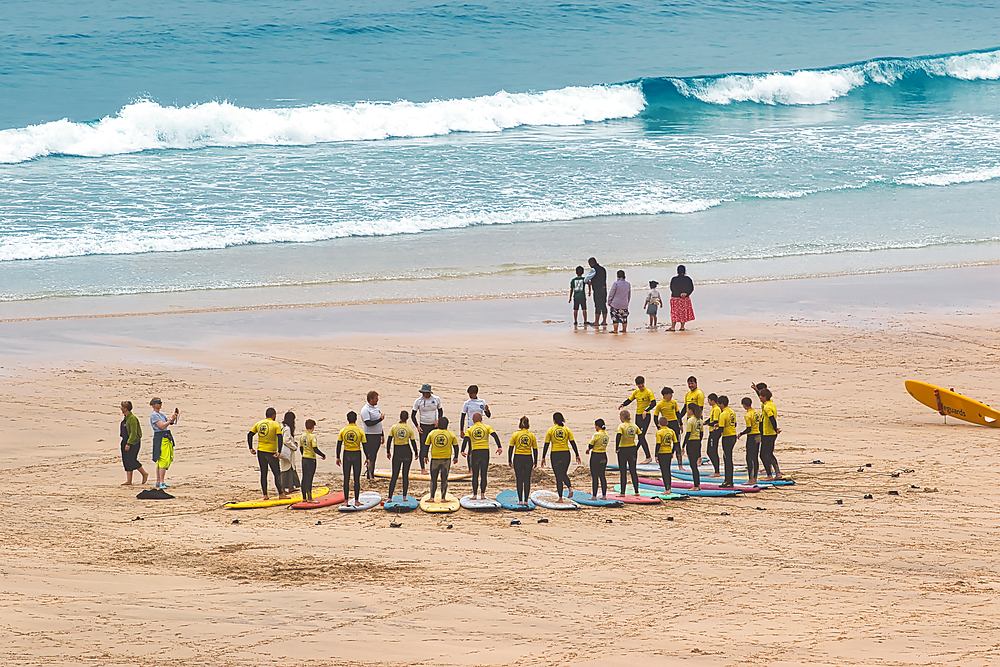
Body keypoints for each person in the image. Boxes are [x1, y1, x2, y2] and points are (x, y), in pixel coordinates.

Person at [461, 412, 502, 499]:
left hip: (475, 452)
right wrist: (499, 446)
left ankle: (475, 495)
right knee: (484, 474)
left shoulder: (470, 429)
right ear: (481, 419)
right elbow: (495, 435)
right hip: (485, 452)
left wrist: (462, 450)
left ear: (473, 420)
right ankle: (483, 494)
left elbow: (466, 439)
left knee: (475, 474)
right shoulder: (487, 427)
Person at [541, 412, 580, 501]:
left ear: (554, 420)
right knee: (563, 474)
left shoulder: (550, 430)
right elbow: (572, 443)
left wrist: (543, 457)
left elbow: (546, 444)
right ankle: (569, 487)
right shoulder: (567, 429)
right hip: (566, 454)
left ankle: (561, 497)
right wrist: (577, 454)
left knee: (558, 476)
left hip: (555, 454)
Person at [248, 407, 284, 500]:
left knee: (264, 473)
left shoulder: (259, 423)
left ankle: (265, 495)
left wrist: (251, 447)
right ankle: (281, 494)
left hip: (261, 452)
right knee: (277, 473)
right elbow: (280, 438)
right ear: (274, 415)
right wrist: (279, 451)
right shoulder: (276, 424)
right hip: (271, 452)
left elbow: (250, 435)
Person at [619, 375, 655, 464]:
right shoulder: (636, 392)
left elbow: (653, 403)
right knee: (639, 436)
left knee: (641, 436)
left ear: (644, 383)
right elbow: (630, 400)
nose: (640, 386)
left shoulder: (648, 392)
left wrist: (646, 410)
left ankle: (648, 457)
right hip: (638, 416)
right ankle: (635, 452)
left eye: (642, 384)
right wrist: (623, 404)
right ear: (636, 384)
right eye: (639, 385)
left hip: (646, 416)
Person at [386, 410, 419, 500]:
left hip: (397, 453)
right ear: (407, 418)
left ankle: (389, 497)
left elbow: (389, 440)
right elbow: (413, 442)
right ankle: (404, 496)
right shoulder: (409, 429)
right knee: (405, 475)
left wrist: (388, 452)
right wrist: (416, 452)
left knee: (394, 476)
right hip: (407, 453)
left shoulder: (394, 427)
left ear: (400, 417)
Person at [336, 411, 366, 507]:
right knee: (356, 478)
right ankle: (356, 500)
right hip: (357, 454)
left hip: (346, 454)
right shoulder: (360, 431)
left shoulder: (343, 430)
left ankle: (346, 501)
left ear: (347, 419)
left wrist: (337, 457)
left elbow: (339, 445)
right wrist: (368, 457)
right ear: (356, 419)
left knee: (346, 478)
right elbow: (364, 445)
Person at [411, 384, 442, 474]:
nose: (423, 394)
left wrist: (438, 421)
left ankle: (437, 468)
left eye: (425, 392)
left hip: (434, 426)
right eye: (422, 392)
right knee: (423, 447)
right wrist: (417, 426)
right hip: (423, 427)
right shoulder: (418, 401)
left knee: (436, 447)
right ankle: (423, 469)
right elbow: (413, 415)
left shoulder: (436, 399)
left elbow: (440, 411)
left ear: (429, 393)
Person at [426, 417, 459, 502]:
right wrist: (456, 456)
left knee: (433, 478)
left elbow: (426, 445)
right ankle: (443, 498)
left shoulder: (432, 433)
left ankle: (432, 498)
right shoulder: (451, 434)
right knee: (444, 478)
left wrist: (425, 456)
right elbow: (456, 446)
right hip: (446, 459)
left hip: (435, 459)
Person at [508, 416, 538, 506]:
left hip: (518, 458)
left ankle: (520, 500)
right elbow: (535, 449)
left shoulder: (515, 435)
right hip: (528, 458)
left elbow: (511, 448)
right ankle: (526, 501)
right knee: (527, 479)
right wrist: (535, 460)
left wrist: (509, 459)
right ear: (528, 424)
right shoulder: (531, 435)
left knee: (519, 479)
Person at [149, 398, 178, 490]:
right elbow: (161, 426)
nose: (160, 404)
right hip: (160, 438)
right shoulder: (154, 415)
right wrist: (169, 421)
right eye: (158, 403)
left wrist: (173, 418)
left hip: (165, 437)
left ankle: (159, 481)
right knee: (162, 458)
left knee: (164, 458)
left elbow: (168, 421)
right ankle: (161, 481)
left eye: (161, 403)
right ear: (154, 405)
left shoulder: (161, 414)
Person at [653, 387, 683, 470]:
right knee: (664, 444)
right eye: (670, 394)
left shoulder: (674, 402)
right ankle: (663, 463)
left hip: (674, 424)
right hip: (666, 424)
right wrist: (658, 427)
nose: (671, 396)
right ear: (665, 395)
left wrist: (681, 424)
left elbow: (678, 414)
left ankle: (680, 466)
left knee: (677, 445)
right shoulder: (660, 404)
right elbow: (655, 417)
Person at [119, 401, 148, 485]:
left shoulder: (132, 418)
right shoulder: (126, 418)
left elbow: (134, 432)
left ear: (125, 408)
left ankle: (144, 473)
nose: (120, 409)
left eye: (121, 407)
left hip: (133, 442)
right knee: (126, 460)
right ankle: (129, 480)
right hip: (124, 441)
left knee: (131, 459)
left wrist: (129, 443)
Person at [299, 419, 326, 503]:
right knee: (309, 478)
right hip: (311, 460)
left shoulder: (302, 436)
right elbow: (315, 448)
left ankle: (304, 497)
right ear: (313, 427)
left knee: (304, 477)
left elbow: (301, 448)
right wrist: (323, 455)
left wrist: (304, 454)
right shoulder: (313, 437)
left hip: (304, 459)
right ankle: (310, 498)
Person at [759, 387, 783, 480]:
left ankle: (770, 475)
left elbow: (772, 419)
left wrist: (775, 428)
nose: (760, 397)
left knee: (764, 454)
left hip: (768, 433)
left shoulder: (767, 407)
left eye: (761, 396)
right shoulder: (771, 403)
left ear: (765, 397)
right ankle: (776, 473)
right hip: (770, 433)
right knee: (768, 453)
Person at [737, 397, 762, 486]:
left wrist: (741, 433)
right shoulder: (756, 413)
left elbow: (749, 428)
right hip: (758, 435)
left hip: (751, 437)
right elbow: (760, 424)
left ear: (744, 405)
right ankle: (755, 478)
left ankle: (750, 479)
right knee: (755, 458)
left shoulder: (748, 415)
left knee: (749, 458)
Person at [360, 390, 384, 481]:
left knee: (374, 455)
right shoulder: (365, 409)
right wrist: (380, 420)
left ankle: (371, 474)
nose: (377, 400)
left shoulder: (376, 408)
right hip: (369, 436)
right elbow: (368, 423)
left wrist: (382, 435)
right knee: (369, 456)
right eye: (376, 399)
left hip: (377, 435)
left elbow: (379, 424)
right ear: (370, 399)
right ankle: (369, 475)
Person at [615, 410, 641, 494]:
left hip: (623, 450)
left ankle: (622, 492)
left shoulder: (621, 426)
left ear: (622, 418)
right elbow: (642, 438)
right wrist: (637, 447)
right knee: (633, 471)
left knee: (623, 471)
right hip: (632, 449)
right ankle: (636, 491)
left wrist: (616, 448)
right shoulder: (634, 426)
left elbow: (618, 436)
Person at [717, 395, 738, 488]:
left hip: (727, 437)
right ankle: (728, 480)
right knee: (728, 458)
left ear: (721, 404)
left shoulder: (723, 414)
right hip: (733, 435)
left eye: (719, 404)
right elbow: (735, 424)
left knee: (727, 459)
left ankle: (729, 481)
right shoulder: (732, 412)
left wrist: (715, 432)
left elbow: (720, 429)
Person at [586, 419, 610, 500]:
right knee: (602, 476)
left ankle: (594, 496)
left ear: (597, 426)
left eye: (595, 426)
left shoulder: (596, 434)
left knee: (595, 476)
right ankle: (604, 495)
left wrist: (588, 449)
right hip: (603, 455)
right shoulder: (606, 435)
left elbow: (591, 444)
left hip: (595, 456)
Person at [667, 265, 695, 331]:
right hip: (685, 298)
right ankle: (682, 327)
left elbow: (672, 288)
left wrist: (679, 293)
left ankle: (673, 327)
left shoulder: (674, 279)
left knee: (674, 312)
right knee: (683, 312)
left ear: (677, 271)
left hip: (675, 297)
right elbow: (691, 288)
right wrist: (686, 293)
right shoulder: (688, 279)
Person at [279, 411, 301, 494]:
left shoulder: (281, 426)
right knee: (287, 468)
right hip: (286, 452)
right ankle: (284, 488)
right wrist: (294, 447)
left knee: (289, 467)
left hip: (280, 450)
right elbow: (286, 440)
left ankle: (291, 487)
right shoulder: (287, 428)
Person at [684, 404, 704, 490]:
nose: (687, 411)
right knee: (695, 465)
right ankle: (697, 484)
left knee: (693, 465)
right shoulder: (700, 420)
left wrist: (683, 445)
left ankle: (696, 485)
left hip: (691, 443)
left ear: (690, 410)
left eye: (688, 409)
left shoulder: (690, 420)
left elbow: (688, 433)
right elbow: (702, 433)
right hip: (697, 442)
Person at [654, 416, 678, 492]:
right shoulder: (671, 431)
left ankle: (667, 489)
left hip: (662, 453)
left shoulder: (659, 432)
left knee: (664, 471)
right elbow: (676, 443)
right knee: (668, 470)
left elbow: (658, 444)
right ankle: (669, 488)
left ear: (659, 423)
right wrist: (672, 452)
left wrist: (656, 455)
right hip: (668, 452)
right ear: (667, 423)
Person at [585, 257, 608, 327]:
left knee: (597, 305)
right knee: (603, 305)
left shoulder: (593, 269)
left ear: (591, 263)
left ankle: (596, 322)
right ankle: (604, 321)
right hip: (604, 288)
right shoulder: (603, 269)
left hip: (597, 290)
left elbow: (586, 279)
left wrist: (588, 282)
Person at [607, 269, 631, 334]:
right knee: (624, 317)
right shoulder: (628, 284)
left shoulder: (616, 284)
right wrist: (627, 302)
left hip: (615, 303)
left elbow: (611, 293)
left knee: (615, 317)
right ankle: (624, 329)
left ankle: (615, 329)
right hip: (624, 303)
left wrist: (609, 301)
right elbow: (629, 295)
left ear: (617, 276)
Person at [705, 393, 722, 477]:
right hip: (712, 432)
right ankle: (716, 470)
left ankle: (717, 471)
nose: (707, 402)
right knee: (710, 451)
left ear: (712, 400)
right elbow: (710, 419)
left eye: (708, 400)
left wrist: (707, 424)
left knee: (711, 451)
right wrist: (705, 422)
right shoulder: (713, 408)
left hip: (715, 432)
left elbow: (715, 421)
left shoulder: (716, 409)